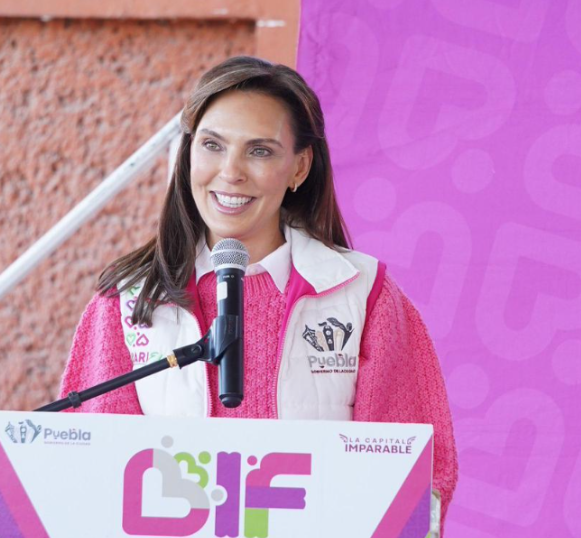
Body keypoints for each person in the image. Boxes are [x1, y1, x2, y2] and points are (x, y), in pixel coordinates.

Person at [59, 56, 458, 532]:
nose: (230, 172)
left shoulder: (363, 295)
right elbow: (91, 473)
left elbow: (414, 481)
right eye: (212, 145)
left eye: (260, 151)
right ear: (188, 153)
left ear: (299, 167)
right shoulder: (129, 301)